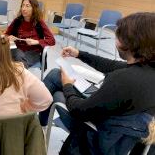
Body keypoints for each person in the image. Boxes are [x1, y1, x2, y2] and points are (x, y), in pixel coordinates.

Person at [39, 12, 155, 152]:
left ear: (132, 43)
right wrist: (79, 54)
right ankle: (40, 123)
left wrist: (68, 85)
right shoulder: (146, 69)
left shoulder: (121, 80)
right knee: (56, 75)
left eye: (119, 37)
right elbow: (110, 65)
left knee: (57, 91)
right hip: (123, 130)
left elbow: (78, 111)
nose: (116, 41)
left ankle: (40, 124)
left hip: (95, 133)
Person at [5, 0, 55, 68]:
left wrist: (37, 42)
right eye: (22, 6)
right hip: (17, 50)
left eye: (27, 6)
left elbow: (52, 40)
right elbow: (6, 34)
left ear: (34, 9)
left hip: (34, 53)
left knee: (17, 64)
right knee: (10, 58)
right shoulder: (17, 21)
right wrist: (9, 37)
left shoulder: (39, 22)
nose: (23, 9)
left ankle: (19, 74)